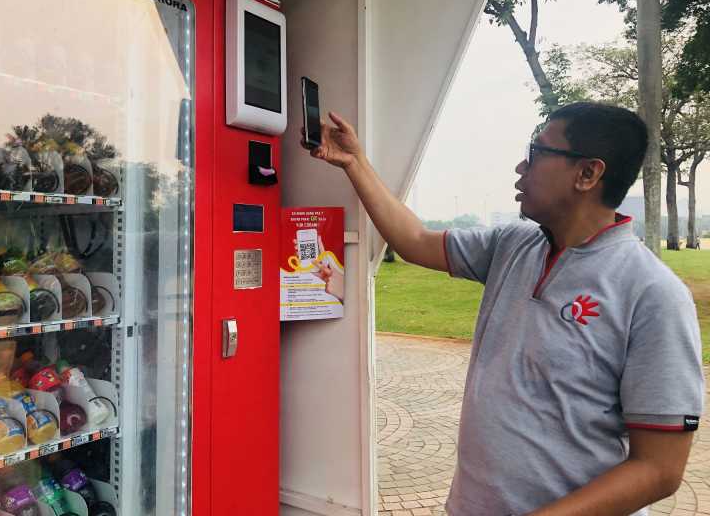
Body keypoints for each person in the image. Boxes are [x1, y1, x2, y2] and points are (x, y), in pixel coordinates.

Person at [302, 102, 704, 516]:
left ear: (587, 174)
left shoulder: (652, 294)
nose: (519, 168)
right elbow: (416, 240)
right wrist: (355, 163)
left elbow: (659, 468)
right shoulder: (513, 245)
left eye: (536, 153)